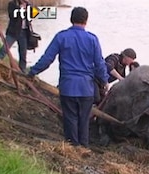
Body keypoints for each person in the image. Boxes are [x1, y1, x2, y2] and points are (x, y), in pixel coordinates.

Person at [27, 7, 110, 148]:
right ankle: (84, 147)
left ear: (71, 19)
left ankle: (72, 147)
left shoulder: (61, 36)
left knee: (70, 117)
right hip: (86, 88)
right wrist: (104, 81)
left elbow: (47, 59)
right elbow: (100, 64)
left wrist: (32, 72)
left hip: (68, 86)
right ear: (86, 20)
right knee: (84, 120)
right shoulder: (92, 39)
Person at [0, 0, 31, 73]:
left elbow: (31, 16)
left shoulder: (28, 5)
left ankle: (22, 71)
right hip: (13, 32)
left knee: (23, 53)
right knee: (4, 49)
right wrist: (20, 9)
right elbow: (12, 16)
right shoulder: (12, 4)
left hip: (24, 32)